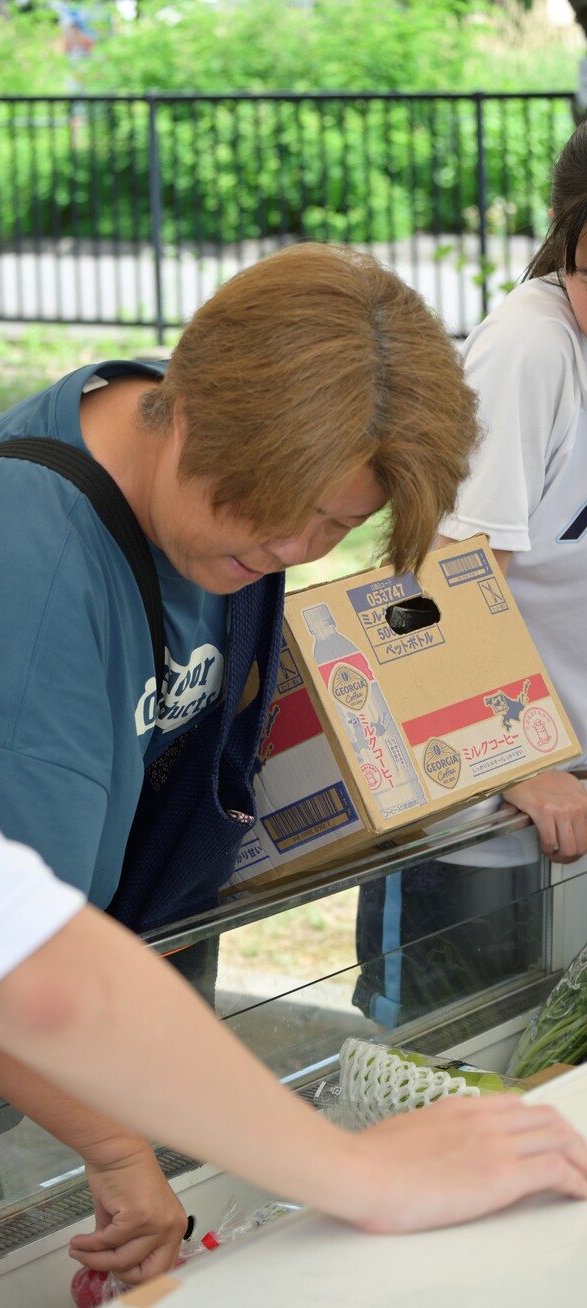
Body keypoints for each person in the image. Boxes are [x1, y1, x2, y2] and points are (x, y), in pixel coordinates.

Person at [0, 116, 587, 1283]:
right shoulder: (29, 578)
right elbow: (4, 968)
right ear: (190, 412)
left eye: (332, 528)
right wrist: (115, 1141)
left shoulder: (222, 495)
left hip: (88, 1008)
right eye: (276, 511)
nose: (293, 544)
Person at [354, 120, 587, 1030]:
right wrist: (518, 762)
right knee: (450, 1070)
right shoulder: (532, 351)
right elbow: (428, 587)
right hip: (486, 819)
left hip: (566, 803)